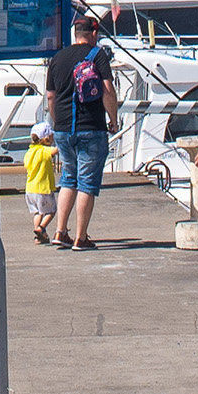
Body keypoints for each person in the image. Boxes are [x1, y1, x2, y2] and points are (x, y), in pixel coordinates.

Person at [45, 30, 117, 248]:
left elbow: (50, 96)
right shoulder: (98, 55)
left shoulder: (58, 57)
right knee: (86, 182)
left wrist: (58, 123)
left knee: (69, 178)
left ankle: (60, 231)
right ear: (93, 33)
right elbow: (107, 91)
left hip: (63, 130)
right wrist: (113, 119)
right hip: (91, 127)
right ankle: (81, 237)